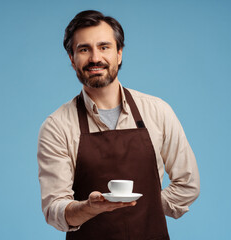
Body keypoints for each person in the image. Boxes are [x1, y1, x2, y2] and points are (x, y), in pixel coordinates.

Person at [37, 10, 200, 240]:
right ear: (72, 60)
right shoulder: (57, 126)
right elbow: (54, 209)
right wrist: (89, 208)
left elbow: (188, 183)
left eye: (104, 47)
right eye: (84, 49)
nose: (95, 58)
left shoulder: (157, 111)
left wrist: (146, 208)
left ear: (119, 53)